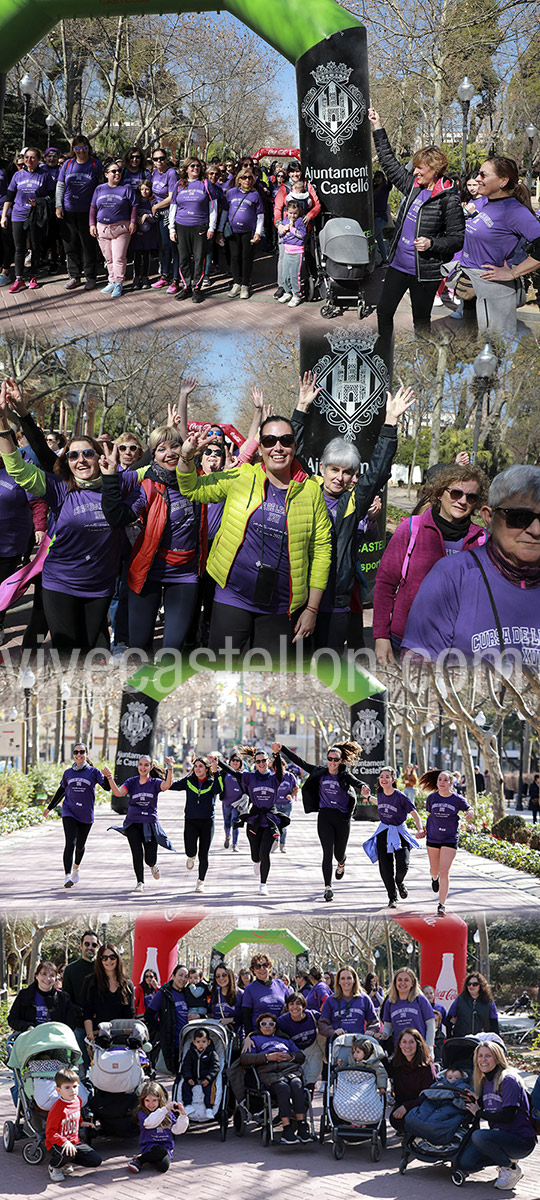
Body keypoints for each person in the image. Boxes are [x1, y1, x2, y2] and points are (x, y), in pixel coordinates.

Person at [176, 416, 332, 657]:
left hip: (282, 605)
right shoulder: (242, 476)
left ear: (295, 446)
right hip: (232, 596)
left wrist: (312, 608)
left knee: (268, 686)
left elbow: (322, 551)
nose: (278, 447)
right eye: (270, 440)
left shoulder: (311, 491)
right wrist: (187, 457)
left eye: (286, 440)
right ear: (260, 448)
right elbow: (192, 489)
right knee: (223, 676)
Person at [0, 379, 136, 649]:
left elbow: (159, 466)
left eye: (88, 453)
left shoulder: (121, 484)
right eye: (73, 456)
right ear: (67, 463)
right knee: (66, 651)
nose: (81, 459)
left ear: (100, 457)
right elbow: (17, 468)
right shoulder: (59, 487)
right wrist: (4, 422)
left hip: (100, 586)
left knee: (95, 651)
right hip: (60, 582)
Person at [402, 464, 540, 665]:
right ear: (489, 517)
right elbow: (418, 671)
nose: (536, 530)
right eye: (520, 517)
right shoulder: (452, 575)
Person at [368, 108, 464, 364]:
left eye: (420, 169)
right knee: (384, 311)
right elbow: (388, 161)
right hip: (399, 266)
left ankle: (424, 358)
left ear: (434, 170)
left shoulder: (449, 199)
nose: (414, 172)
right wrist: (377, 126)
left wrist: (432, 243)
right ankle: (384, 353)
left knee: (421, 320)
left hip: (426, 272)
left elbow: (457, 239)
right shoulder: (412, 187)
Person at [100, 426, 206, 655]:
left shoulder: (200, 480)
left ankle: (159, 689)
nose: (169, 453)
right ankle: (137, 691)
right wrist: (110, 478)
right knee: (139, 650)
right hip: (148, 572)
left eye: (175, 446)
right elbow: (117, 517)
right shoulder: (148, 485)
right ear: (153, 455)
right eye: (161, 449)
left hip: (185, 574)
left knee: (171, 652)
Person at [374, 463, 489, 665]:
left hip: (457, 649)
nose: (462, 501)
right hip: (405, 640)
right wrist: (381, 636)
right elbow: (385, 584)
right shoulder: (411, 529)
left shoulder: (481, 541)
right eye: (455, 493)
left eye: (471, 497)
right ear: (439, 492)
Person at [458, 156, 540, 335]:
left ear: (503, 181)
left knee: (494, 348)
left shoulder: (515, 211)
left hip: (494, 290)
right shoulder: (482, 202)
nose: (478, 178)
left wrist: (513, 272)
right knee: (472, 348)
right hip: (471, 287)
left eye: (483, 175)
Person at [277, 741, 364, 902]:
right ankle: (327, 888)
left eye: (336, 760)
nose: (332, 763)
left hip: (342, 818)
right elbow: (299, 761)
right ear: (326, 759)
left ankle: (342, 862)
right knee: (327, 853)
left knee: (338, 854)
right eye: (330, 759)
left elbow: (357, 783)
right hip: (324, 816)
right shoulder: (320, 772)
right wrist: (283, 749)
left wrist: (364, 787)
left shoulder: (344, 775)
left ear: (341, 761)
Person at [459, 1041, 537, 1190]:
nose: (483, 1060)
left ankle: (510, 1168)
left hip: (521, 1141)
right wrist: (476, 1101)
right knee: (466, 1163)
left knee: (479, 1136)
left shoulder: (508, 1080)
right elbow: (490, 1105)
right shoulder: (485, 1081)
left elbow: (508, 1116)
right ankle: (503, 1158)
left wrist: (479, 1113)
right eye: (480, 1056)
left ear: (497, 1058)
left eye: (488, 1056)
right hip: (499, 1138)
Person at [43, 742, 111, 888]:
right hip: (69, 811)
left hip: (86, 814)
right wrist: (49, 808)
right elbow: (60, 792)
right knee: (70, 843)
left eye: (81, 752)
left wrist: (108, 777)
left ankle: (76, 866)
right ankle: (67, 876)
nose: (79, 755)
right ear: (73, 755)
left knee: (80, 846)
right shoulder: (68, 773)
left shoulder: (93, 772)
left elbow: (106, 788)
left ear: (86, 754)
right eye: (76, 752)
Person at [219, 746, 284, 896]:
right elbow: (234, 772)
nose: (261, 764)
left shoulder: (275, 778)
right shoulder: (249, 777)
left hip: (269, 818)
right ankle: (256, 862)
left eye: (264, 761)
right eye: (258, 761)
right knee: (255, 855)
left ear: (268, 762)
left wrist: (277, 754)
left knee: (264, 853)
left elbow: (280, 770)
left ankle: (263, 884)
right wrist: (219, 763)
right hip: (254, 818)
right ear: (254, 763)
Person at [104, 755, 174, 892]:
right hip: (133, 823)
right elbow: (118, 793)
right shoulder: (132, 782)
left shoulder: (154, 782)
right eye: (141, 764)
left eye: (146, 765)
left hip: (150, 823)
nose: (143, 767)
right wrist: (109, 777)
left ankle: (153, 866)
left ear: (151, 767)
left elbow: (166, 785)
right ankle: (140, 882)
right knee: (136, 853)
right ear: (138, 767)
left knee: (150, 858)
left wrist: (170, 767)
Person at [239, 1011, 311, 1145]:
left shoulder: (285, 1040)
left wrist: (291, 1057)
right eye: (264, 1023)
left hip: (289, 1069)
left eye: (271, 1024)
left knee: (297, 1085)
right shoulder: (254, 1040)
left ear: (275, 1027)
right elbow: (244, 1059)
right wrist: (267, 1057)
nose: (267, 1026)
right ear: (259, 1026)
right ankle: (287, 1129)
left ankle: (302, 1127)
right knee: (283, 1088)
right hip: (269, 1071)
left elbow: (301, 1056)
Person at [362, 767, 425, 908]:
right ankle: (392, 897)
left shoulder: (400, 796)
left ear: (393, 780)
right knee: (385, 868)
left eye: (387, 777)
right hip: (383, 833)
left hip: (399, 833)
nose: (384, 779)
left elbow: (415, 814)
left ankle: (399, 882)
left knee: (403, 865)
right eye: (381, 776)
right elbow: (379, 801)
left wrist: (420, 829)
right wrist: (367, 797)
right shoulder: (380, 793)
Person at [419, 768, 474, 914]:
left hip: (449, 839)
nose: (442, 782)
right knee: (434, 870)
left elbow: (469, 809)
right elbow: (430, 817)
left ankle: (441, 904)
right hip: (433, 838)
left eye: (445, 780)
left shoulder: (456, 799)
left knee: (444, 871)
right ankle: (433, 878)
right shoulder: (431, 798)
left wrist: (470, 813)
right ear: (437, 782)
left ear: (451, 782)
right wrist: (424, 831)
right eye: (440, 780)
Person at [1, 147, 51, 293]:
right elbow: (9, 197)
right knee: (19, 248)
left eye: (33, 157)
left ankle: (33, 277)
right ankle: (19, 279)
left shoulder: (45, 175)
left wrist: (40, 201)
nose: (29, 160)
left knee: (35, 247)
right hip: (18, 215)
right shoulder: (17, 175)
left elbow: (51, 196)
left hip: (35, 215)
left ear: (38, 159)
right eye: (26, 157)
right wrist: (4, 216)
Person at [56, 135, 102, 290]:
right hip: (68, 210)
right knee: (70, 244)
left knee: (87, 245)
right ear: (73, 149)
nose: (81, 151)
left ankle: (90, 276)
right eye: (77, 148)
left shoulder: (96, 164)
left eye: (84, 147)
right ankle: (75, 276)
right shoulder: (68, 164)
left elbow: (102, 188)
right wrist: (58, 205)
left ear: (88, 148)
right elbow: (60, 185)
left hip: (87, 211)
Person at [169, 756, 222, 894]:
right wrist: (170, 768)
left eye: (201, 766)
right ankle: (191, 857)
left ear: (206, 768)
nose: (197, 769)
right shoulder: (189, 781)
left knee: (203, 854)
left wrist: (216, 770)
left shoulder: (211, 782)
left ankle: (201, 882)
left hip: (207, 822)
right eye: (196, 766)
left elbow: (219, 789)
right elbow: (172, 785)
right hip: (191, 821)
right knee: (190, 850)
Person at [169, 157, 217, 302]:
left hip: (200, 226)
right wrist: (172, 228)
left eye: (197, 166)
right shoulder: (179, 184)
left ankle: (197, 287)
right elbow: (173, 207)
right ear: (185, 168)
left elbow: (213, 207)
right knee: (183, 258)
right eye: (192, 166)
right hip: (182, 226)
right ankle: (186, 286)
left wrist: (212, 227)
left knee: (198, 258)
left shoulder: (205, 184)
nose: (195, 168)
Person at [89, 162, 138, 298]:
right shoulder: (99, 189)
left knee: (119, 258)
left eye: (119, 171)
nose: (117, 174)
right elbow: (93, 207)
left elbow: (134, 206)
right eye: (113, 171)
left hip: (121, 228)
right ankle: (111, 279)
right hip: (102, 228)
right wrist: (92, 224)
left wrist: (133, 222)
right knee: (108, 258)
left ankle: (118, 283)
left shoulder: (126, 188)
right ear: (106, 174)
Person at [46, 1067, 102, 1183]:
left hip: (74, 1141)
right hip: (56, 1143)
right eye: (67, 1087)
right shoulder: (57, 1109)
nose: (72, 1091)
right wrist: (65, 1142)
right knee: (66, 1153)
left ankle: (67, 1161)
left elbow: (76, 1117)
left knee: (95, 1160)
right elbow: (50, 1133)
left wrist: (82, 1122)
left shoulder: (77, 1101)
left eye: (75, 1086)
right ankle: (54, 1167)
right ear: (59, 1090)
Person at [219, 166, 263, 299]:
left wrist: (258, 232)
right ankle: (236, 282)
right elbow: (225, 212)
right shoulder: (231, 193)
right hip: (233, 231)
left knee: (246, 257)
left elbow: (260, 215)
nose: (247, 180)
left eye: (250, 177)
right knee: (234, 256)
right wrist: (220, 230)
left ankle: (245, 285)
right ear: (239, 180)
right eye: (244, 177)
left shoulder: (255, 195)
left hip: (248, 232)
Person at [61, 930, 101, 1073]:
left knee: (102, 1067)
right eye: (87, 944)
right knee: (81, 1068)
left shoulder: (102, 968)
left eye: (94, 944)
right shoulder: (71, 970)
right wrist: (81, 1013)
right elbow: (66, 998)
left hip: (100, 1025)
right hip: (79, 1026)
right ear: (81, 945)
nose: (90, 947)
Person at [129, 1081, 188, 1175]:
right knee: (160, 1151)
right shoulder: (142, 1113)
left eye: (154, 1100)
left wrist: (183, 1115)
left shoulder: (168, 1114)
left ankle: (151, 1158)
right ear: (143, 1100)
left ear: (160, 1100)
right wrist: (165, 1109)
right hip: (149, 1146)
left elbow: (177, 1130)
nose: (151, 1104)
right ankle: (139, 1160)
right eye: (147, 1100)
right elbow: (150, 1123)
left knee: (163, 1167)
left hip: (165, 1147)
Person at [386, 1028, 437, 1133]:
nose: (407, 1046)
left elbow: (430, 1096)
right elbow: (384, 1069)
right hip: (402, 1104)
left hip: (422, 1106)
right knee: (395, 1120)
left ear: (418, 1044)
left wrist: (407, 1106)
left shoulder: (427, 1067)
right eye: (404, 1042)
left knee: (412, 1119)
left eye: (411, 1042)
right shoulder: (396, 1063)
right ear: (399, 1044)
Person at [82, 943, 135, 1038]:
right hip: (99, 1037)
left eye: (112, 957)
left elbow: (130, 1017)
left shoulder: (127, 985)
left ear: (118, 958)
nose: (109, 961)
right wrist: (90, 1040)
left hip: (122, 1038)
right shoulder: (91, 982)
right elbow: (87, 1014)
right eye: (104, 958)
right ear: (100, 960)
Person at [8, 960, 77, 1031]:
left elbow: (71, 1023)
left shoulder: (63, 998)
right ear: (36, 976)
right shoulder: (24, 995)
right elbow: (12, 1019)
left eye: (52, 975)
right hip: (30, 1038)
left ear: (56, 978)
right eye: (44, 974)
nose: (47, 979)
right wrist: (28, 1027)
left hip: (55, 1039)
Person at [145, 965, 189, 1074]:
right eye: (180, 975)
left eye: (186, 976)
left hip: (188, 1043)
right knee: (173, 1075)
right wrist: (162, 1029)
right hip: (172, 1043)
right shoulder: (163, 993)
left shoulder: (188, 993)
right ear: (173, 976)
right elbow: (149, 1015)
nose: (183, 979)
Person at [381, 969, 436, 1055]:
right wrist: (384, 1034)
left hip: (420, 1049)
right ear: (395, 982)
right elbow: (388, 1026)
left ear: (412, 983)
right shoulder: (390, 1002)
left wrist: (429, 1047)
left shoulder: (420, 999)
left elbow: (430, 1024)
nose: (402, 983)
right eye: (399, 980)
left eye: (406, 980)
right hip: (400, 1050)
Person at [277, 992, 324, 1091]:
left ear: (303, 1005)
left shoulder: (312, 1015)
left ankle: (308, 1104)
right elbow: (267, 1030)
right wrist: (250, 1036)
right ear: (287, 1006)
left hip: (313, 1049)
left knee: (311, 1079)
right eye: (291, 1004)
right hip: (296, 1052)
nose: (295, 1007)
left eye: (298, 1003)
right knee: (299, 1080)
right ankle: (299, 1103)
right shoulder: (283, 1021)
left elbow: (328, 1022)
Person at [318, 967, 379, 1038]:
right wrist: (333, 1032)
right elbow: (322, 1024)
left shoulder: (364, 999)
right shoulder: (330, 1000)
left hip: (358, 1043)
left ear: (354, 980)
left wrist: (371, 1030)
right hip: (338, 1044)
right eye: (343, 978)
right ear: (338, 981)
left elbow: (374, 1021)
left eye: (349, 978)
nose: (346, 981)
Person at [150, 148, 179, 291]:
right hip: (160, 215)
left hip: (170, 213)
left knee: (173, 246)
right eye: (156, 159)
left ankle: (176, 279)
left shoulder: (172, 173)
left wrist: (156, 206)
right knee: (164, 246)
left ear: (166, 159)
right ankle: (165, 276)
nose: (159, 161)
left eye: (161, 158)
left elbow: (171, 197)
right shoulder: (155, 173)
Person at [241, 954, 291, 1031]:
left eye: (265, 965)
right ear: (253, 970)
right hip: (259, 1033)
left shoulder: (280, 984)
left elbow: (291, 1004)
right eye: (258, 966)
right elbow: (246, 1017)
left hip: (281, 1031)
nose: (262, 969)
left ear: (270, 967)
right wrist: (249, 1036)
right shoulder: (249, 989)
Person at [180, 1027, 220, 1115]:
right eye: (198, 1042)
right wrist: (188, 1077)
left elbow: (215, 1067)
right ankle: (188, 1105)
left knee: (209, 1089)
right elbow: (186, 1066)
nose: (201, 1044)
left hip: (206, 1078)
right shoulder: (191, 1053)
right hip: (193, 1077)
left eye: (203, 1042)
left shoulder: (212, 1053)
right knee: (185, 1086)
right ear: (194, 1042)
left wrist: (209, 1078)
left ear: (208, 1042)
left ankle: (209, 1108)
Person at [446, 972, 500, 1037]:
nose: (471, 986)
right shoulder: (459, 1000)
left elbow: (494, 1024)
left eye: (475, 984)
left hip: (482, 1041)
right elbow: (448, 1021)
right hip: (462, 1040)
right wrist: (450, 1038)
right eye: (469, 984)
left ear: (481, 985)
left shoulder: (489, 1002)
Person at [277, 197, 307, 307]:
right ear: (286, 212)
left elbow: (302, 235)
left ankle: (297, 295)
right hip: (287, 250)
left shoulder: (299, 221)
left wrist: (292, 229)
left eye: (295, 213)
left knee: (295, 275)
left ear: (299, 212)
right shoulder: (285, 220)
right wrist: (282, 231)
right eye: (290, 213)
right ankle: (287, 292)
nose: (292, 216)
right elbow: (281, 235)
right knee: (285, 274)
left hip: (297, 252)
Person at [132, 178, 158, 288]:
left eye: (147, 189)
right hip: (137, 234)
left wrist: (148, 216)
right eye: (142, 189)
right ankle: (136, 276)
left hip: (149, 234)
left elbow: (156, 218)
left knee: (146, 256)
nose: (144, 192)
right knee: (137, 255)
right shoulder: (136, 202)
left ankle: (145, 276)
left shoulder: (153, 202)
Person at [210, 963, 243, 1031]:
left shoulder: (241, 994)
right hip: (217, 1035)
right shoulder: (215, 994)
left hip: (235, 1036)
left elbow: (247, 1017)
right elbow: (210, 1012)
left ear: (230, 975)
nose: (221, 978)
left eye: (224, 975)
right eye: (218, 976)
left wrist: (230, 1020)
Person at [373, 168, 391, 262]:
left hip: (381, 218)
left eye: (379, 176)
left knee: (370, 238)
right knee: (379, 239)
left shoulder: (385, 188)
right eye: (376, 176)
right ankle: (385, 259)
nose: (377, 179)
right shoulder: (373, 189)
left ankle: (371, 259)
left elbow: (390, 184)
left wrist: (388, 172)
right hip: (375, 217)